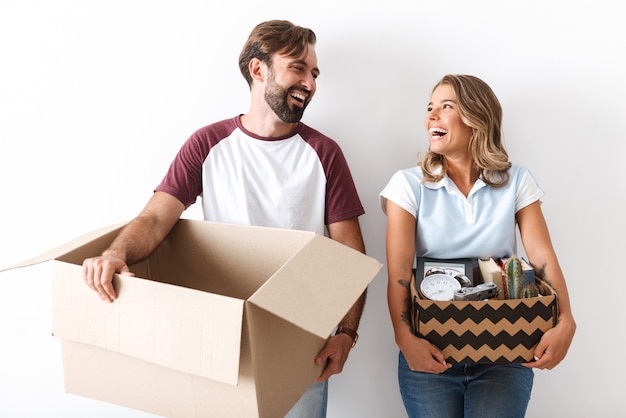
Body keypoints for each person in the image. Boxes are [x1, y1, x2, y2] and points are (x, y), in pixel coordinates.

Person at [82, 20, 367, 418]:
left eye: (314, 73)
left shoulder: (324, 153)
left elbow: (352, 259)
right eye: (298, 68)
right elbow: (155, 219)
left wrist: (347, 336)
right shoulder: (207, 144)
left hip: (302, 344)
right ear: (258, 69)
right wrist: (115, 254)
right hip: (223, 337)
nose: (310, 82)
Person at [379, 74, 576, 418]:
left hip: (507, 351)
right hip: (431, 349)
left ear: (476, 117)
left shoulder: (517, 181)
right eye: (430, 108)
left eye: (446, 107)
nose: (431, 117)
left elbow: (542, 258)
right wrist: (405, 339)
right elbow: (398, 271)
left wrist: (566, 321)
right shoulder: (407, 185)